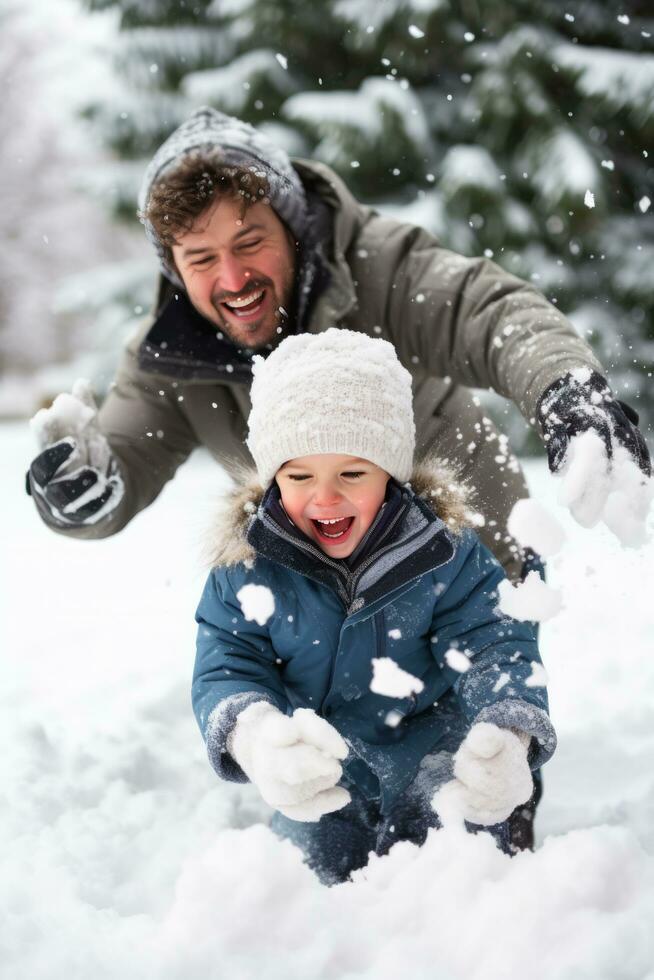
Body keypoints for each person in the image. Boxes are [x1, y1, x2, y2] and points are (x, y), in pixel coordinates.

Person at [26, 106, 650, 583]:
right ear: (172, 269)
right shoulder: (168, 355)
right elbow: (125, 458)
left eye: (249, 245)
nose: (233, 279)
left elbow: (490, 313)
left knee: (488, 749)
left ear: (294, 230)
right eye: (201, 259)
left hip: (469, 566)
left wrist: (564, 388)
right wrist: (83, 493)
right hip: (323, 607)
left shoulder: (378, 267)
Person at [192, 328, 557, 886]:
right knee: (302, 876)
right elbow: (228, 662)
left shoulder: (445, 552)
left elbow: (494, 641)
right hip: (320, 757)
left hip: (434, 748)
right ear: (272, 479)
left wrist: (508, 732)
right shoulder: (245, 568)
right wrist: (256, 736)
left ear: (390, 474)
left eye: (353, 473)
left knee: (455, 861)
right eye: (298, 475)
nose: (325, 496)